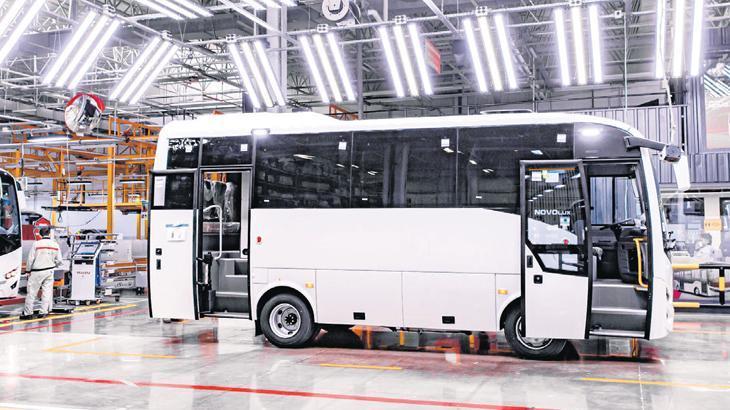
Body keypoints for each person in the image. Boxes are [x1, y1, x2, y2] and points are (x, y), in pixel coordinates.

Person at [21, 226, 63, 320]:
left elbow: (30, 259)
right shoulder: (55, 244)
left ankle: (28, 313)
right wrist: (53, 265)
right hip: (49, 271)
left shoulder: (36, 244)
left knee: (32, 293)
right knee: (47, 293)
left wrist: (28, 270)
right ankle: (43, 312)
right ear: (49, 234)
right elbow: (60, 261)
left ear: (40, 234)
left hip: (37, 272)